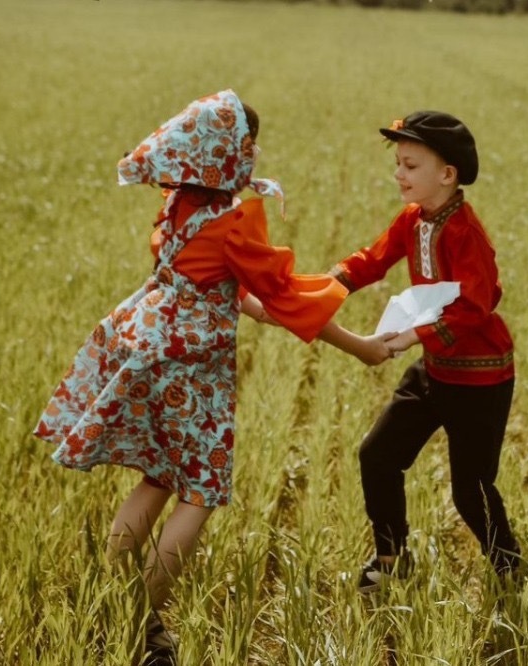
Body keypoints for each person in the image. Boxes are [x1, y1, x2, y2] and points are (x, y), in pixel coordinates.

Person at [33, 90, 391, 665]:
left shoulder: (178, 203)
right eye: (250, 146)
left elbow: (214, 285)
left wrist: (252, 305)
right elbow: (284, 299)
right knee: (200, 493)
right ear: (230, 151)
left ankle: (113, 606)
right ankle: (142, 626)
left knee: (157, 477)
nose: (254, 156)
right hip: (192, 371)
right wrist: (361, 346)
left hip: (148, 349)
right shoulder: (231, 224)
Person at [328, 110, 522, 593]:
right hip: (436, 370)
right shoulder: (413, 220)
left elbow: (476, 306)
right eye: (398, 163)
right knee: (378, 455)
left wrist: (410, 336)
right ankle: (391, 558)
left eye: (410, 166)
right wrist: (324, 287)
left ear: (447, 174)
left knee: (470, 491)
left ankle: (510, 571)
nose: (399, 174)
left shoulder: (465, 233)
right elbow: (372, 261)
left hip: (479, 378)